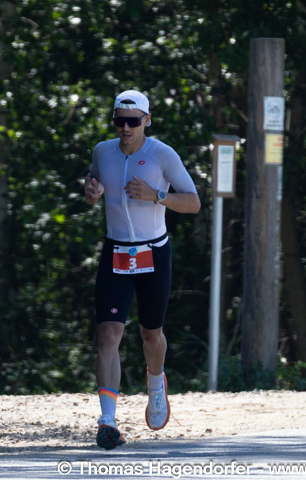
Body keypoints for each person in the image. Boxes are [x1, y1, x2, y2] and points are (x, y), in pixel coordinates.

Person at [84, 89, 201, 449]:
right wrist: (91, 193)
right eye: (119, 121)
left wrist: (156, 195)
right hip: (116, 250)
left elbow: (193, 202)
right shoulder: (103, 151)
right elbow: (92, 184)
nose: (125, 128)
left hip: (153, 252)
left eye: (133, 121)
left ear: (147, 121)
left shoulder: (162, 155)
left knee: (151, 334)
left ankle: (156, 381)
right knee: (108, 335)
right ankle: (107, 421)